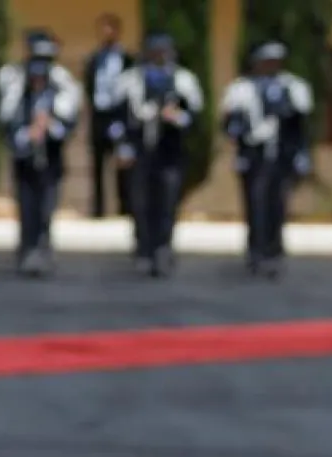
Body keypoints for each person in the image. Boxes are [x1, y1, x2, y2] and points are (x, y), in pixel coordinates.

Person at [221, 41, 313, 279]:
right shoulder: (242, 88)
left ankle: (274, 252)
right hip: (254, 155)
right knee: (255, 204)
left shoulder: (293, 87)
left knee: (278, 205)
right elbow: (230, 123)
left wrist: (301, 154)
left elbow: (300, 126)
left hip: (282, 155)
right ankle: (256, 252)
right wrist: (242, 137)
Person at [118, 33, 204, 278]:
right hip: (141, 151)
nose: (159, 56)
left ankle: (163, 249)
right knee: (140, 203)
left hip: (170, 153)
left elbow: (194, 117)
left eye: (163, 51)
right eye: (154, 51)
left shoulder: (183, 80)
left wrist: (176, 118)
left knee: (167, 203)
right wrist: (123, 145)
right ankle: (143, 250)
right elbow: (118, 117)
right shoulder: (131, 80)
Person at [0, 53, 78, 277]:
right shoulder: (18, 98)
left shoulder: (59, 97)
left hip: (50, 164)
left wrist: (50, 126)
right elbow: (8, 127)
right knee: (27, 209)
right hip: (25, 163)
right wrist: (29, 133)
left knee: (46, 209)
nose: (37, 82)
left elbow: (67, 127)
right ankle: (27, 250)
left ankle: (43, 250)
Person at [85, 14, 134, 219]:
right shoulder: (95, 58)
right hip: (100, 115)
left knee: (122, 162)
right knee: (97, 163)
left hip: (119, 115)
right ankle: (98, 209)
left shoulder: (127, 59)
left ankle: (125, 208)